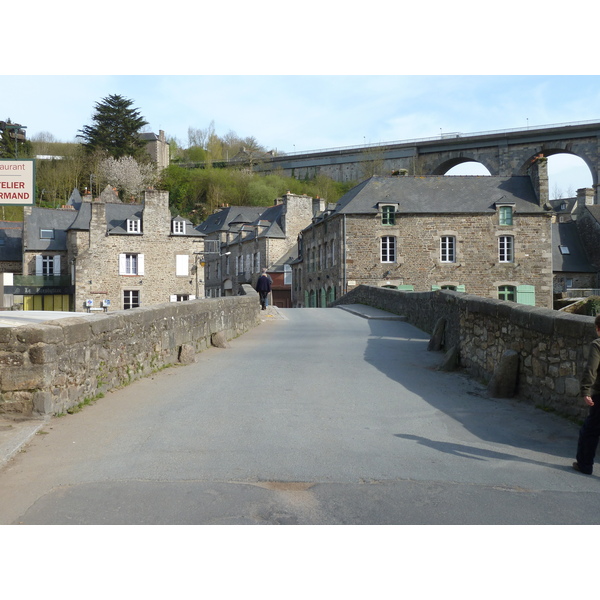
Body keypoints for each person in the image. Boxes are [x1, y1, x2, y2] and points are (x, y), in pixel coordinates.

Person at [573, 314, 600, 475]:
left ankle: (584, 464)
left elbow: (591, 369)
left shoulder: (597, 344)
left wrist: (585, 390)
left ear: (598, 328)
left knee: (590, 430)